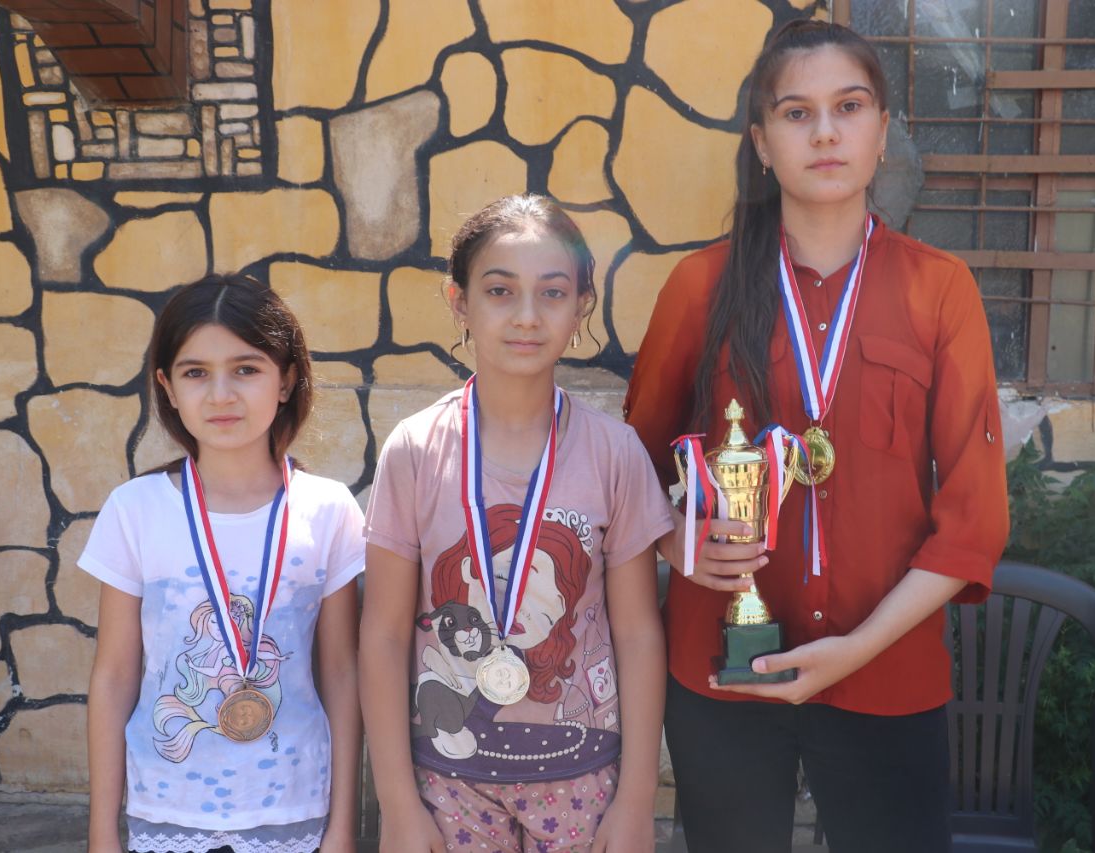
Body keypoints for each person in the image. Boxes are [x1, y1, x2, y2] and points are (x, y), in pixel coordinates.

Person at [625, 19, 1010, 853]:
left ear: (882, 133)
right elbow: (632, 473)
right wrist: (674, 541)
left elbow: (972, 519)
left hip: (888, 667)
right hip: (723, 663)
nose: (826, 132)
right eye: (797, 113)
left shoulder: (941, 291)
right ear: (762, 143)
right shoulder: (699, 286)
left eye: (849, 107)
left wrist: (857, 649)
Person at [359, 194, 672, 853]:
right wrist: (398, 804)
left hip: (582, 779)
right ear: (459, 301)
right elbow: (384, 634)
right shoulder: (415, 450)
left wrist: (637, 798)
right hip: (447, 782)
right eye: (500, 291)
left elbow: (638, 633)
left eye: (552, 293)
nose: (527, 316)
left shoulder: (614, 453)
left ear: (581, 306)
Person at [81, 274, 366, 853]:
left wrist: (343, 826)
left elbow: (341, 675)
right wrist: (101, 833)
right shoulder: (134, 510)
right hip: (166, 807)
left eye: (246, 369)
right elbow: (113, 678)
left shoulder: (329, 508)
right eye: (195, 373)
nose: (220, 395)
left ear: (286, 380)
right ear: (167, 386)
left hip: (294, 806)